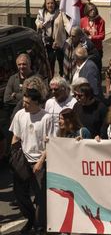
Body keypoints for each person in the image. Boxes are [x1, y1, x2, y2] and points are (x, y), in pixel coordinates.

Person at [9, 88, 53, 234]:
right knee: (19, 193)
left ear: (36, 102)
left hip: (39, 160)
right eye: (23, 101)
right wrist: (14, 157)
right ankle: (31, 218)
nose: (24, 105)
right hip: (23, 160)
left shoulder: (47, 118)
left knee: (40, 196)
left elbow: (51, 144)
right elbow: (16, 137)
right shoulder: (20, 115)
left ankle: (39, 226)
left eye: (27, 103)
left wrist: (41, 161)